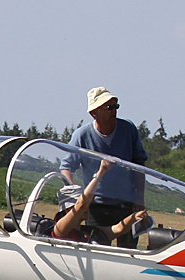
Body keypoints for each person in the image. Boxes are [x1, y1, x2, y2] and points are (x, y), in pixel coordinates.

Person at [61, 87, 147, 244]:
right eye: (109, 108)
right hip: (96, 207)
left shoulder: (128, 129)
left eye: (116, 106)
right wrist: (74, 197)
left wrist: (139, 198)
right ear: (94, 113)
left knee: (128, 253)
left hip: (126, 204)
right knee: (95, 251)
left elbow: (139, 165)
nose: (114, 111)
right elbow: (66, 168)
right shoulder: (82, 135)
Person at [51, 159, 151, 243]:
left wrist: (134, 217)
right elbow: (81, 204)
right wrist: (101, 172)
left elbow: (119, 229)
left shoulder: (88, 231)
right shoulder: (60, 230)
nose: (87, 207)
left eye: (88, 204)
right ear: (67, 209)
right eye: (77, 204)